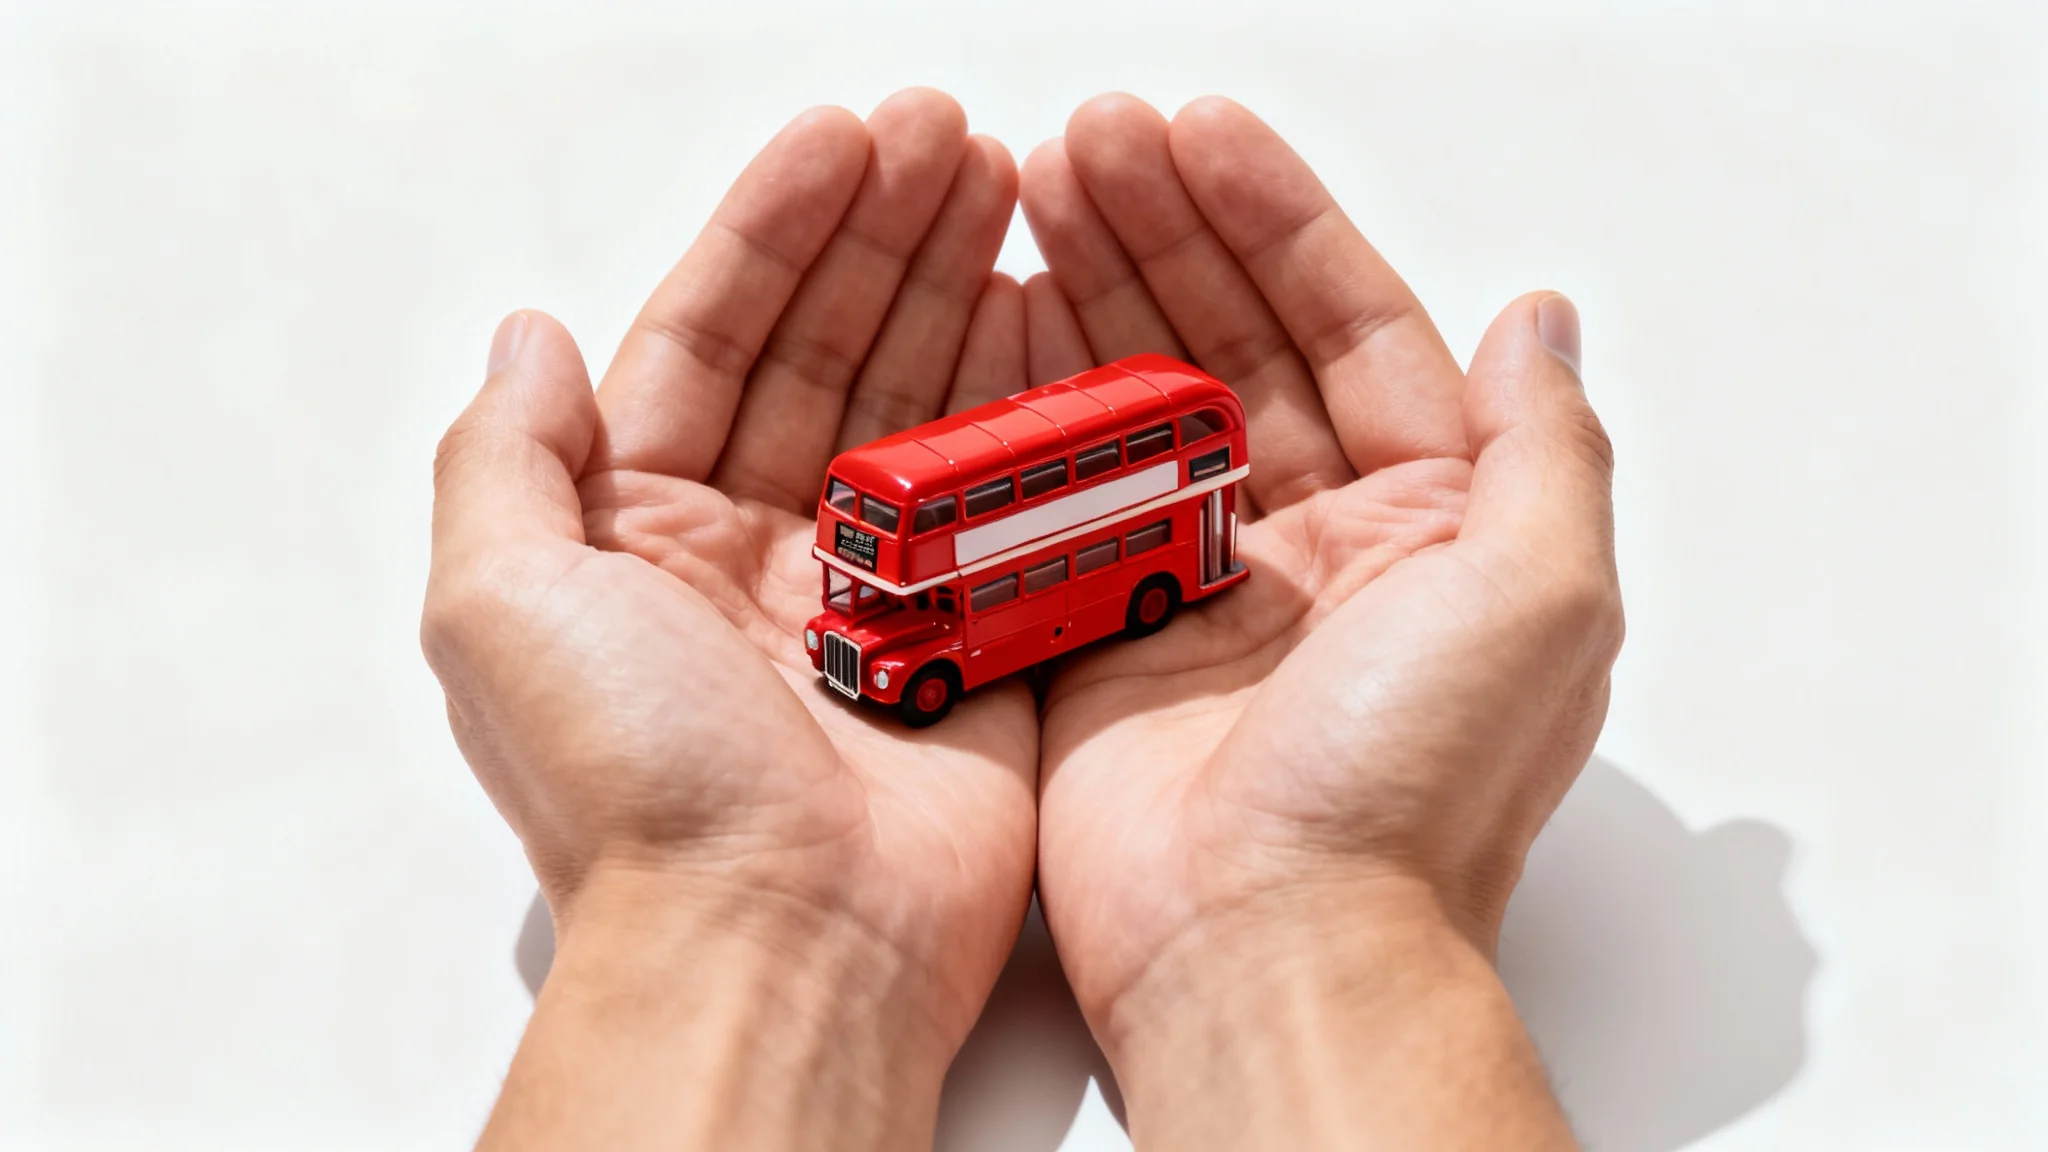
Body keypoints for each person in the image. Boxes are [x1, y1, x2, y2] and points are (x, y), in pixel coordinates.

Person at [420, 87, 1622, 1151]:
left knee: (1009, 568)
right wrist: (728, 881)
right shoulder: (905, 595)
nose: (863, 615)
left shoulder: (1099, 542)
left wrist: (1318, 884)